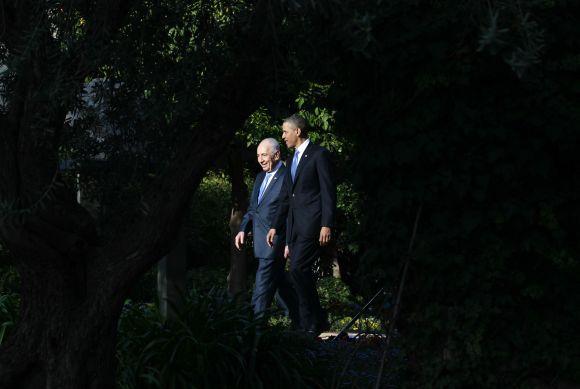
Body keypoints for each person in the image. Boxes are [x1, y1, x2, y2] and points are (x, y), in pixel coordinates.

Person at [266, 114, 336, 335]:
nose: (283, 136)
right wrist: (275, 226)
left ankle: (310, 322)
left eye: (285, 131)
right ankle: (316, 319)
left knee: (297, 268)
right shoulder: (290, 160)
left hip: (312, 224)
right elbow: (287, 197)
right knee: (298, 271)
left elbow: (328, 191)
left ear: (297, 131)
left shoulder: (319, 155)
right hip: (294, 227)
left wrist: (327, 224)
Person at [235, 138, 299, 324]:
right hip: (260, 240)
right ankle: (303, 319)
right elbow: (253, 208)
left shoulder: (288, 176)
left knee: (262, 286)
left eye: (264, 155)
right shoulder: (260, 177)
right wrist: (242, 229)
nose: (260, 159)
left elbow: (288, 210)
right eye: (258, 156)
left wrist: (288, 241)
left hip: (275, 240)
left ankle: (255, 328)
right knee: (281, 285)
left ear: (276, 154)